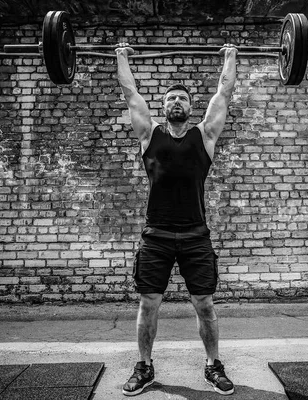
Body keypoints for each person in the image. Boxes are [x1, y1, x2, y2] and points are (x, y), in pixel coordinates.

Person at [115, 42, 238, 396]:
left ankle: (213, 366)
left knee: (205, 304)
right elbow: (130, 92)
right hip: (156, 236)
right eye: (170, 99)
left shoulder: (205, 135)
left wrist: (230, 56)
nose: (176, 102)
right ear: (163, 107)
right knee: (148, 303)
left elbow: (224, 92)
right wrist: (122, 56)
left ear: (190, 106)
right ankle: (145, 366)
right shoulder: (149, 134)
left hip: (196, 236)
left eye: (182, 98)